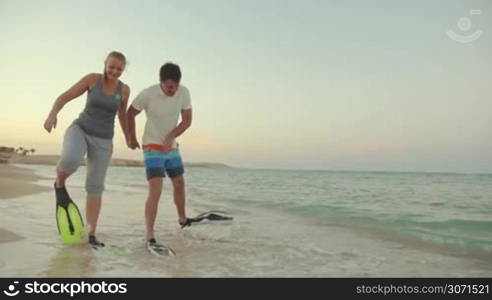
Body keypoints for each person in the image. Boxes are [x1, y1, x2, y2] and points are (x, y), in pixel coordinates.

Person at [43, 51, 131, 247]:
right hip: (80, 130)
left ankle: (91, 234)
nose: (115, 71)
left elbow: (122, 115)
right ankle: (59, 182)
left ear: (123, 69)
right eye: (112, 67)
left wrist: (128, 137)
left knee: (95, 187)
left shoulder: (124, 90)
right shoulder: (93, 80)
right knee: (70, 160)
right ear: (105, 64)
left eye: (119, 68)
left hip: (104, 140)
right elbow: (64, 97)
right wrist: (52, 114)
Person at [126, 62, 192, 250]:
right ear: (161, 82)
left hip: (171, 147)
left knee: (179, 182)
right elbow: (130, 113)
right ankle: (149, 234)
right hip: (152, 146)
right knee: (156, 188)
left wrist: (171, 137)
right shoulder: (148, 94)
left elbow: (187, 121)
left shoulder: (184, 92)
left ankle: (182, 219)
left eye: (175, 86)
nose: (172, 90)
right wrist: (130, 137)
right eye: (169, 87)